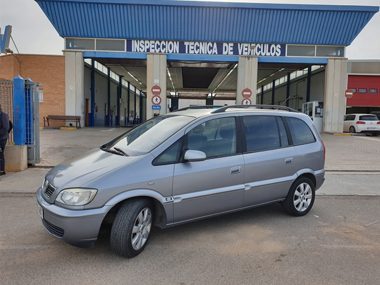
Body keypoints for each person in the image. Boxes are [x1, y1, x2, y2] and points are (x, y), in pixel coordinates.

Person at [0, 103, 10, 176]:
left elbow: (5, 127)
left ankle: (1, 170)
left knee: (0, 154)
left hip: (2, 138)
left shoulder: (3, 115)